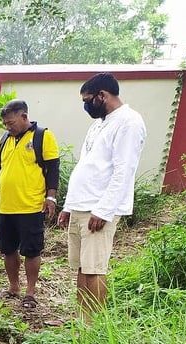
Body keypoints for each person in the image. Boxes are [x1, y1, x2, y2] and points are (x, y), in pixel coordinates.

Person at [58, 72, 146, 320]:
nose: (86, 106)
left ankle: (93, 326)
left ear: (102, 95)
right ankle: (80, 319)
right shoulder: (99, 123)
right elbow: (87, 166)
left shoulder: (128, 122)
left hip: (98, 208)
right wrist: (68, 206)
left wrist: (104, 210)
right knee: (81, 267)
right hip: (81, 206)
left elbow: (124, 170)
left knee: (94, 268)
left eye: (88, 100)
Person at [0, 100, 60, 309]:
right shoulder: (4, 139)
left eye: (11, 123)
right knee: (8, 249)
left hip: (31, 206)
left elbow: (53, 169)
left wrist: (51, 197)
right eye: (5, 123)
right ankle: (13, 286)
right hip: (5, 206)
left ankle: (30, 292)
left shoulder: (42, 136)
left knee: (32, 251)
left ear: (24, 117)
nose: (8, 127)